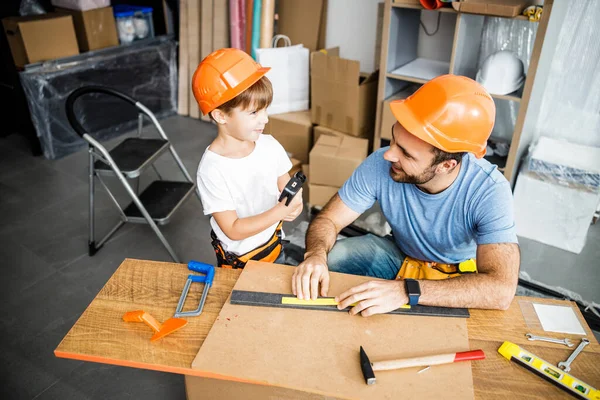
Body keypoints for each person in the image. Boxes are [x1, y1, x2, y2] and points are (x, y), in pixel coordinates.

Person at [292, 74, 519, 315]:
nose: (389, 155)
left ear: (447, 165)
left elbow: (501, 289)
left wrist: (404, 291)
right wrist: (315, 255)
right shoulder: (381, 163)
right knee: (332, 259)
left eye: (406, 154)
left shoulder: (489, 191)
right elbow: (329, 219)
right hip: (401, 255)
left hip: (457, 274)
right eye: (394, 140)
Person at [193, 48, 303, 269]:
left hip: (274, 246)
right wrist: (280, 212)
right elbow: (232, 229)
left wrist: (295, 202)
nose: (265, 119)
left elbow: (287, 185)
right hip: (239, 262)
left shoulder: (269, 145)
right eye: (254, 113)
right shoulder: (212, 169)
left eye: (265, 110)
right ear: (220, 115)